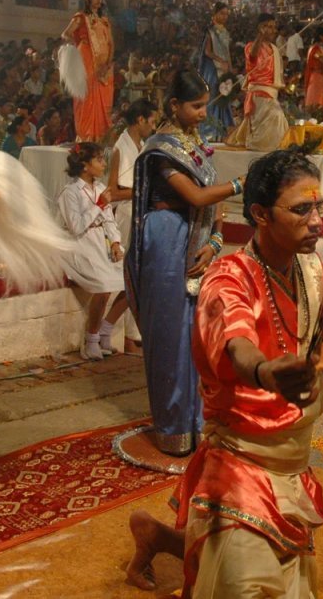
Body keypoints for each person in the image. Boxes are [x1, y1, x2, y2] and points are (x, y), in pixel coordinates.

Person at [126, 147, 323, 596]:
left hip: (293, 464)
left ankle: (158, 538)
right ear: (260, 214)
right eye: (301, 209)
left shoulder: (316, 272)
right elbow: (236, 346)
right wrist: (266, 372)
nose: (317, 221)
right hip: (240, 466)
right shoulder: (227, 278)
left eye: (319, 207)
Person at [125, 71, 246, 456]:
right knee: (170, 337)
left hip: (193, 239)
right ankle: (173, 426)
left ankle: (198, 423)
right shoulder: (161, 150)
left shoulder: (194, 142)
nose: (202, 113)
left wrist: (213, 241)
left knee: (197, 336)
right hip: (165, 241)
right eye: (195, 106)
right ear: (174, 105)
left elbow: (212, 201)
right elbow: (196, 195)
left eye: (205, 106)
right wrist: (242, 184)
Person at [58, 143, 130, 359]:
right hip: (81, 245)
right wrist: (98, 205)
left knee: (132, 283)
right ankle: (91, 338)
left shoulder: (99, 189)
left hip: (102, 243)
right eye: (99, 160)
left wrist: (116, 243)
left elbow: (109, 220)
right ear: (85, 166)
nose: (104, 164)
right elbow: (76, 226)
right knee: (103, 286)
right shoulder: (70, 192)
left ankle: (105, 331)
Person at [107, 99, 157, 351]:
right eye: (152, 120)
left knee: (140, 273)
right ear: (140, 120)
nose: (153, 126)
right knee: (130, 274)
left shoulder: (140, 144)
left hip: (140, 212)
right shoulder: (121, 147)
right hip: (127, 215)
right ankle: (125, 336)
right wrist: (144, 192)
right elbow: (113, 192)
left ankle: (134, 334)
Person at [61, 0, 115, 143]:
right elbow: (66, 34)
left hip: (104, 66)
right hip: (87, 60)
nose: (98, 0)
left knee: (103, 101)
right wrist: (80, 46)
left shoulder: (104, 21)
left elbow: (111, 43)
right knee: (87, 98)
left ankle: (101, 137)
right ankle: (86, 137)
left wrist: (108, 63)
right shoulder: (80, 18)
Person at [230, 13, 288, 151]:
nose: (274, 30)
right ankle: (261, 150)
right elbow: (253, 55)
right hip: (259, 93)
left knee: (282, 122)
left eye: (274, 27)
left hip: (271, 94)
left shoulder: (274, 49)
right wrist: (260, 36)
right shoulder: (251, 46)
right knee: (276, 116)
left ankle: (273, 151)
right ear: (261, 27)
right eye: (269, 27)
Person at [199, 2, 233, 135]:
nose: (225, 17)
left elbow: (227, 51)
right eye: (222, 13)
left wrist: (230, 67)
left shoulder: (225, 32)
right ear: (215, 14)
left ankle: (222, 129)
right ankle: (209, 130)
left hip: (223, 68)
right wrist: (221, 61)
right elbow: (207, 51)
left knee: (223, 96)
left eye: (226, 14)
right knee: (213, 96)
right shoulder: (210, 31)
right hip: (212, 69)